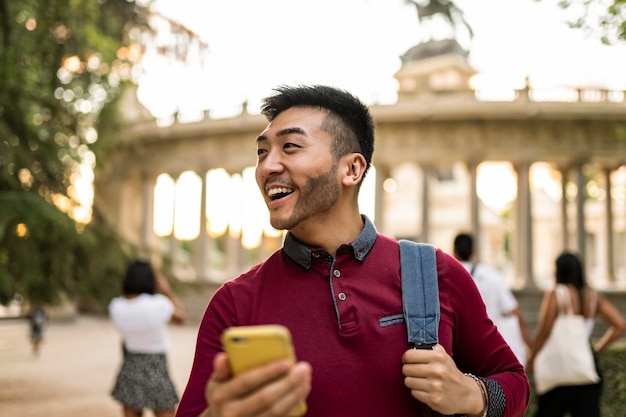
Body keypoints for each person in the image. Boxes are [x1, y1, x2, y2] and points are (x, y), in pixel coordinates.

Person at [175, 85, 530, 417]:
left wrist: (473, 394)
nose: (267, 166)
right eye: (262, 152)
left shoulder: (436, 273)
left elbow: (514, 381)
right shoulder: (234, 303)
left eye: (290, 147)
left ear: (352, 168)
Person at [527, 251, 625, 417]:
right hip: (586, 369)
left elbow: (544, 332)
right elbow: (620, 325)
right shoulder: (593, 297)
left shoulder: (556, 294)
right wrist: (598, 349)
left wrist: (532, 358)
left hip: (558, 372)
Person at [109, 260, 186, 417]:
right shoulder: (158, 304)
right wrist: (167, 289)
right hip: (156, 366)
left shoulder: (116, 305)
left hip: (130, 366)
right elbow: (181, 318)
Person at [453, 232, 532, 366]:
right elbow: (514, 312)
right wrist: (530, 347)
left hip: (459, 349)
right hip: (491, 347)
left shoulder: (448, 275)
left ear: (454, 251)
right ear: (474, 251)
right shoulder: (492, 276)